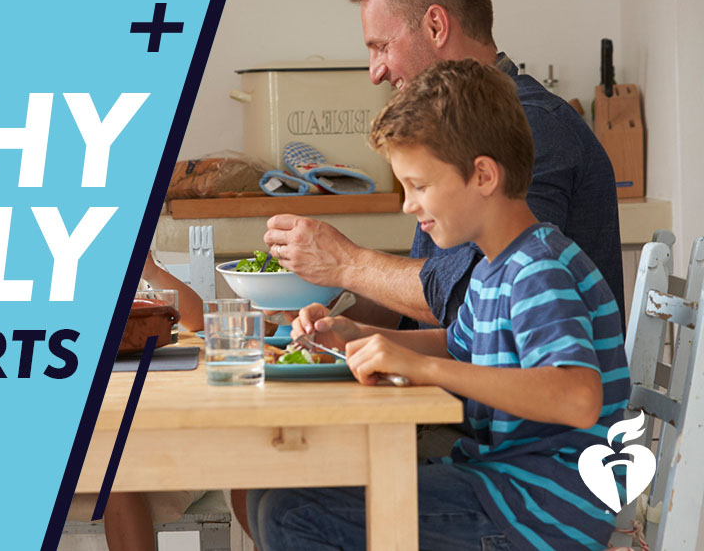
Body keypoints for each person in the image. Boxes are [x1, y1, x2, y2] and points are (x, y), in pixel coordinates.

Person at [249, 59, 630, 550]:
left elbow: (578, 397)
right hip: (506, 488)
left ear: (484, 176)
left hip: (543, 511)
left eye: (420, 186)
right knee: (274, 492)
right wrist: (360, 336)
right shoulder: (499, 264)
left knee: (293, 513)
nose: (408, 205)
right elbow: (455, 347)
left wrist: (422, 370)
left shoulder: (539, 269)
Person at [263, 0, 623, 334]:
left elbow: (469, 295)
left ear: (436, 25)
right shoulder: (457, 130)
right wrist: (337, 309)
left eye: (382, 46)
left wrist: (347, 263)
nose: (374, 72)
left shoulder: (530, 128)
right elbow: (451, 312)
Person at [65, 250, 206, 550]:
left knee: (118, 468)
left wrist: (151, 271)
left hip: (139, 432)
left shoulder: (140, 289)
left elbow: (198, 320)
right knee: (115, 465)